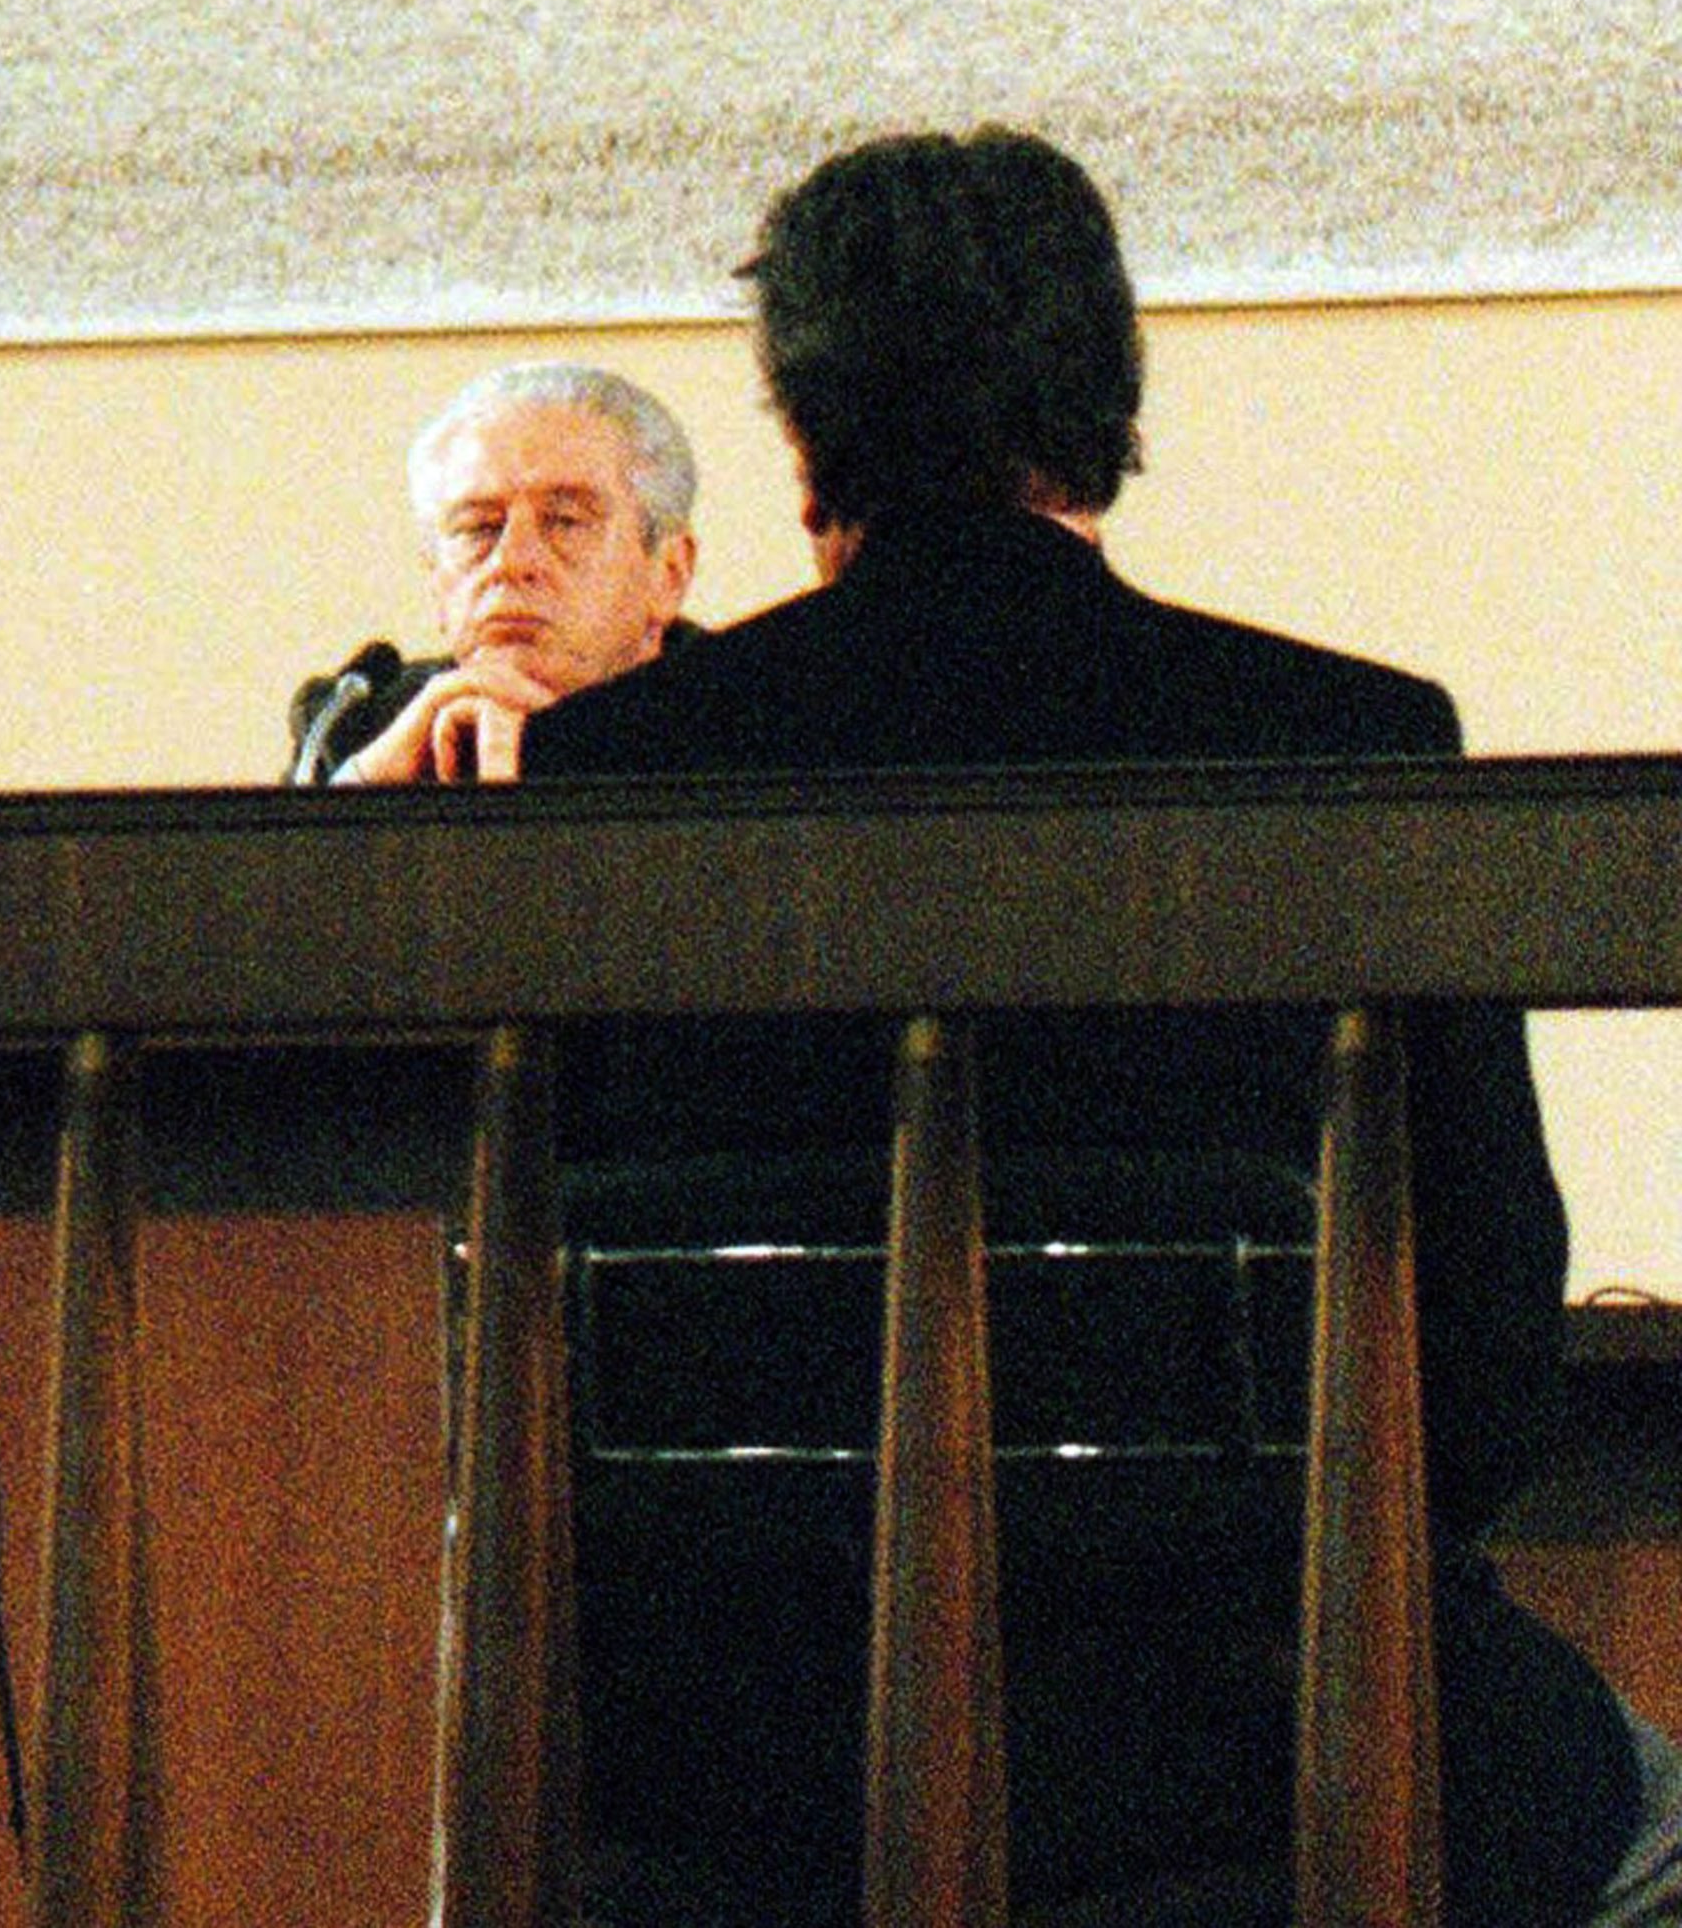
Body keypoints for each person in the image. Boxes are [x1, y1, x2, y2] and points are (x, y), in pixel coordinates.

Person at [522, 128, 1672, 1928]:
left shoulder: (612, 768)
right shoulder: (1340, 742)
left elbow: (556, 1343)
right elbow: (1483, 1343)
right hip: (1261, 1724)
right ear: (1104, 391)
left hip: (749, 1761)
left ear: (802, 427)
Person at [287, 360, 697, 785]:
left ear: (668, 574)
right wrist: (363, 792)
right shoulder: (355, 725)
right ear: (436, 580)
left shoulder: (746, 720)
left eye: (565, 521)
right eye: (479, 528)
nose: (511, 562)